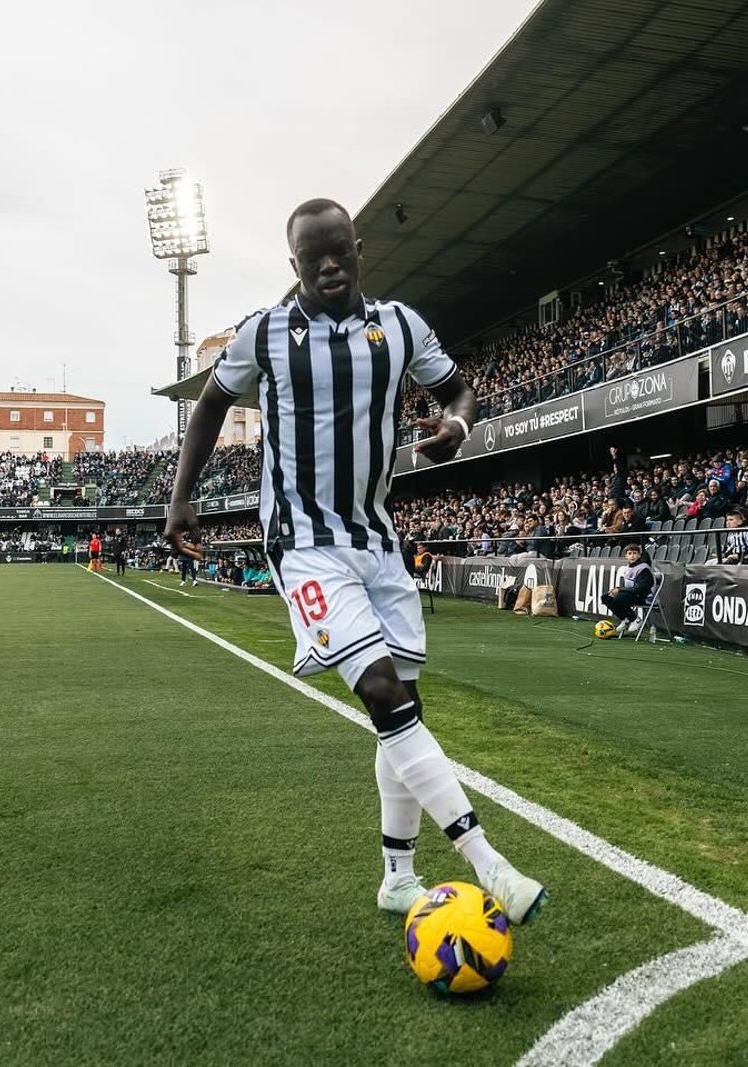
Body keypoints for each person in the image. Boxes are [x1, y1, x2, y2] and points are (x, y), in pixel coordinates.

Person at [162, 198, 546, 925]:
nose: (330, 265)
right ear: (295, 266)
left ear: (359, 248)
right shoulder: (266, 333)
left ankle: (398, 878)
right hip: (304, 542)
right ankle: (487, 861)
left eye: (340, 251)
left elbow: (458, 386)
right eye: (315, 258)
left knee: (401, 705)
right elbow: (211, 404)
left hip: (377, 536)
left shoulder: (401, 325)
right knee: (381, 692)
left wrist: (458, 423)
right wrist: (183, 495)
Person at [600, 543, 655, 637]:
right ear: (626, 556)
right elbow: (628, 586)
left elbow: (640, 588)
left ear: (639, 555)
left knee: (619, 598)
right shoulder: (628, 567)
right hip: (631, 595)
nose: (632, 556)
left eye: (635, 553)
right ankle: (625, 618)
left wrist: (620, 590)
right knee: (606, 597)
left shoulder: (644, 568)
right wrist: (618, 589)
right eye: (630, 553)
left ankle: (635, 619)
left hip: (644, 596)